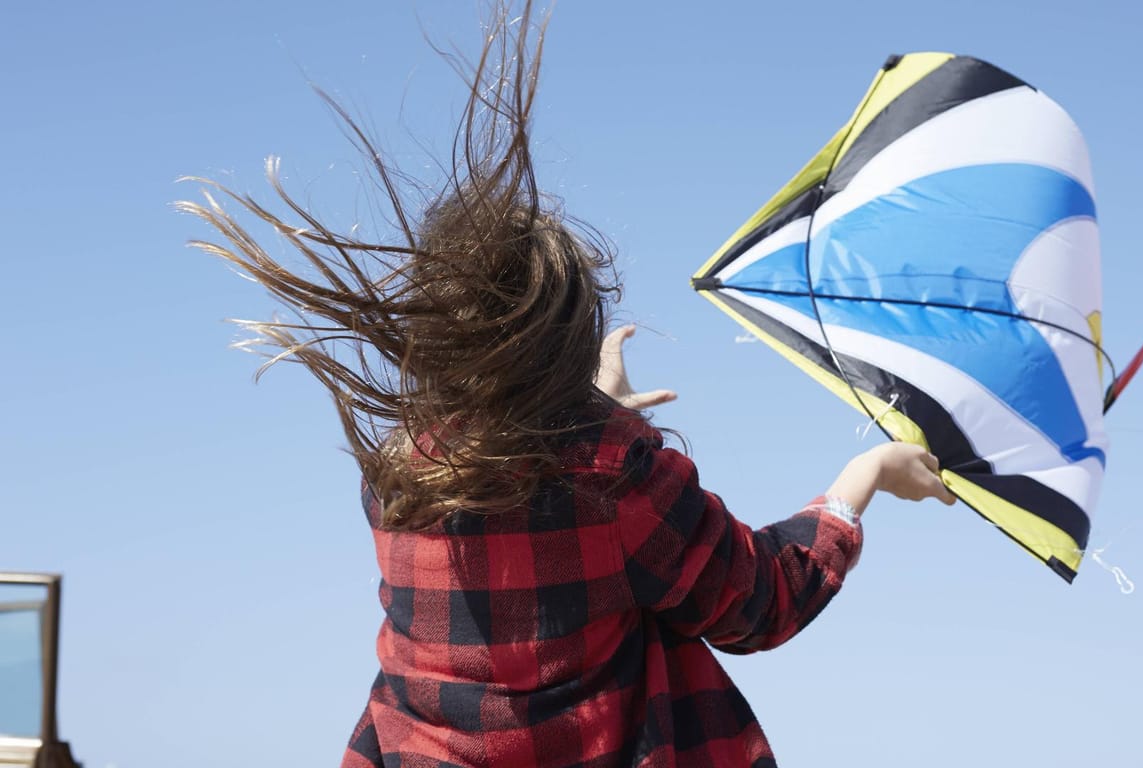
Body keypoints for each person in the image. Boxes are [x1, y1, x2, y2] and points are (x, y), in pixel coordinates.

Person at [180, 3, 956, 766]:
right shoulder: (617, 478)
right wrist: (865, 480)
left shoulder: (397, 476)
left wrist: (601, 416)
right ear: (567, 340)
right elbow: (758, 603)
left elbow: (520, 493)